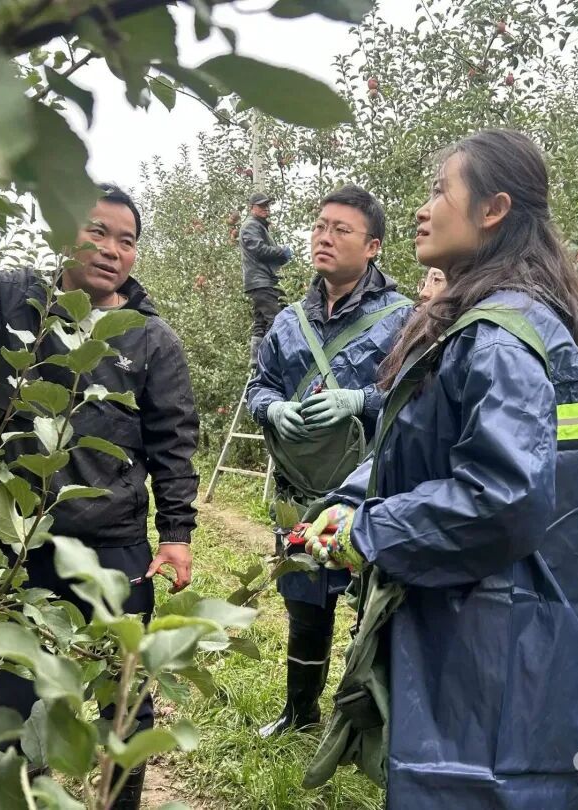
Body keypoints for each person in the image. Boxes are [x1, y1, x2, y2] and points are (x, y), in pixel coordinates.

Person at [303, 130, 578, 807]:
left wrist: (370, 530)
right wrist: (349, 501)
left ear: (493, 209)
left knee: (477, 785)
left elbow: (503, 495)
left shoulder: (501, 337)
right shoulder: (488, 321)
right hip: (493, 613)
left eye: (441, 191)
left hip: (492, 629)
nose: (423, 209)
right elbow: (425, 446)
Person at [0, 184, 199, 810]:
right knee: (18, 699)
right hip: (24, 546)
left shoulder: (151, 340)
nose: (112, 249)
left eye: (126, 240)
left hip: (113, 548)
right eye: (97, 231)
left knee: (123, 697)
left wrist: (176, 534)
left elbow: (173, 441)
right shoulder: (18, 302)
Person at [246, 184, 411, 738]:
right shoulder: (288, 321)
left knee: (373, 610)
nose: (325, 237)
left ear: (373, 247)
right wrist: (273, 409)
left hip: (370, 493)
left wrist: (361, 399)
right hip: (300, 488)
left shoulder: (402, 319)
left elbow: (420, 397)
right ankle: (300, 713)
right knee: (304, 601)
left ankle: (364, 725)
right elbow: (259, 385)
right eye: (320, 226)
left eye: (342, 229)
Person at [240, 192, 294, 366]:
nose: (266, 209)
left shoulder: (259, 226)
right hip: (261, 281)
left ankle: (256, 360)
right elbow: (259, 250)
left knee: (261, 322)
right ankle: (271, 360)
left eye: (267, 205)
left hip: (260, 280)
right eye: (262, 206)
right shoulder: (251, 225)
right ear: (252, 208)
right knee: (276, 319)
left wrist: (281, 257)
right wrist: (281, 251)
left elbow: (263, 253)